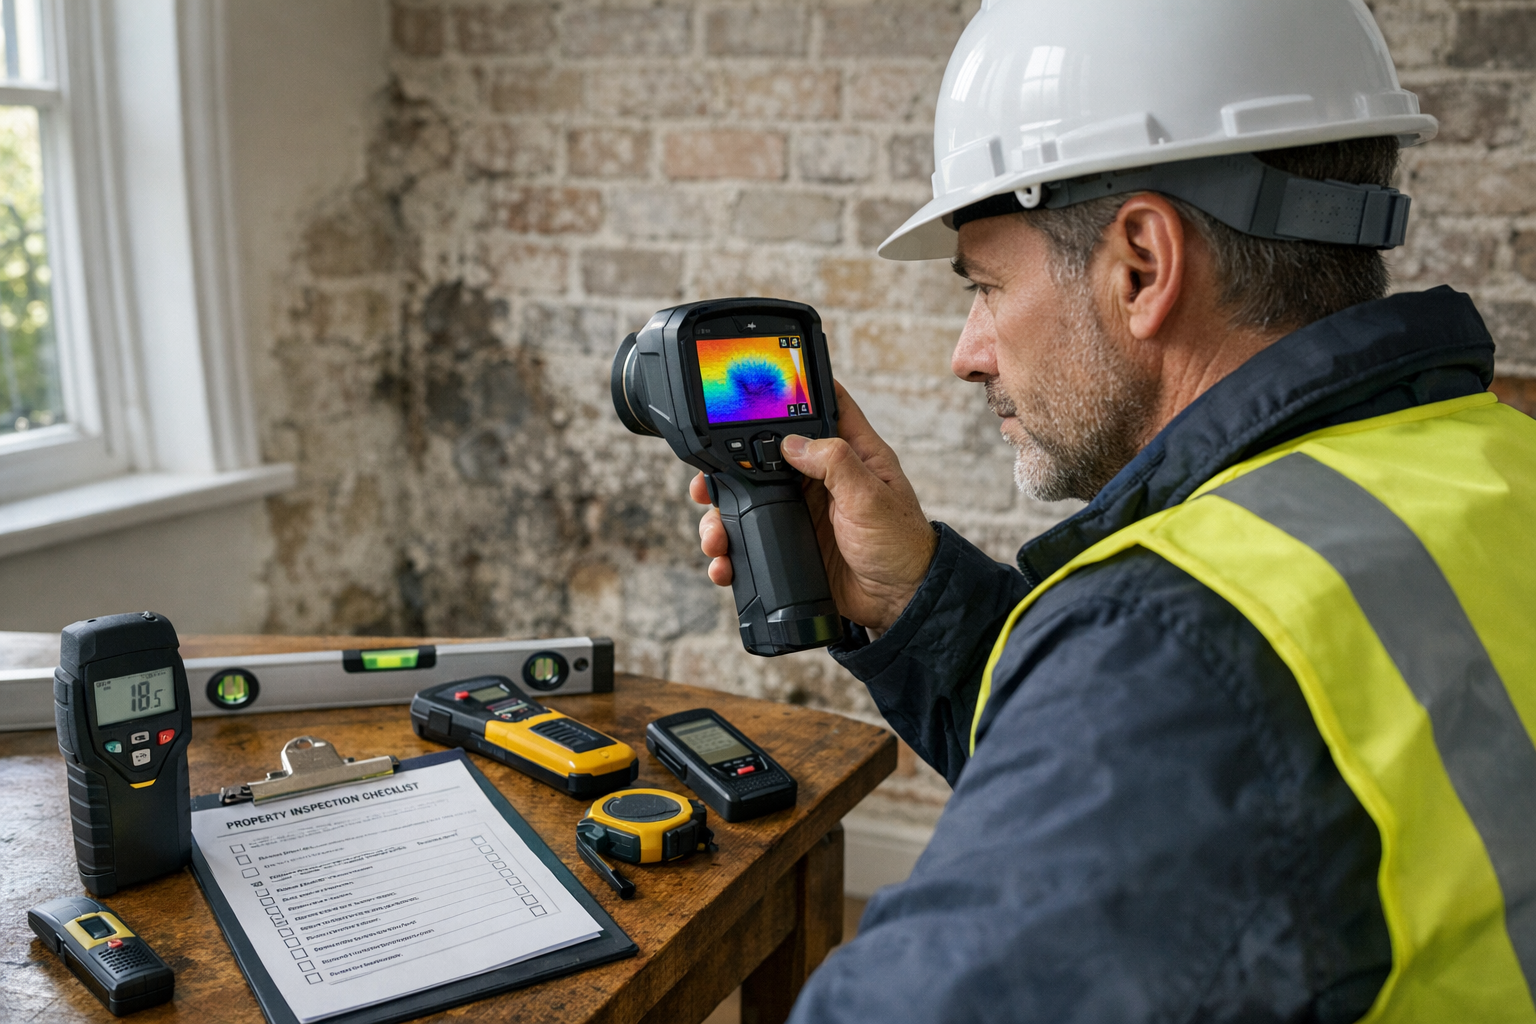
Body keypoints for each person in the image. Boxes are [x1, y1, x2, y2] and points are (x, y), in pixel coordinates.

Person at [689, 2, 1536, 1021]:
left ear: (1140, 263)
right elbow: (1241, 796)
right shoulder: (1499, 459)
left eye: (988, 286)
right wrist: (917, 601)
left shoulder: (1177, 646)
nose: (969, 351)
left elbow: (1175, 729)